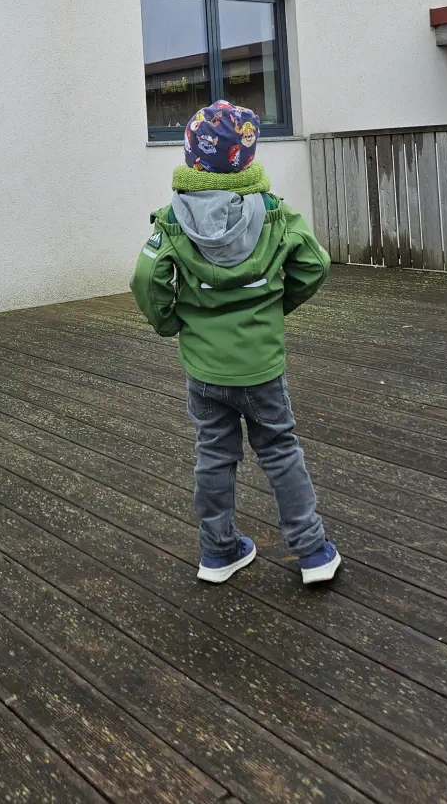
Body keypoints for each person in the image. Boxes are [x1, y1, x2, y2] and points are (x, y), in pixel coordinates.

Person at [131, 100, 340, 586]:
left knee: (214, 455)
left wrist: (171, 323)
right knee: (280, 450)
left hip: (205, 369)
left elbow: (147, 277)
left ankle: (218, 551)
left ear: (191, 154)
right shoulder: (273, 212)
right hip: (262, 365)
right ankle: (312, 553)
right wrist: (275, 307)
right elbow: (316, 264)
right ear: (246, 158)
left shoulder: (172, 218)